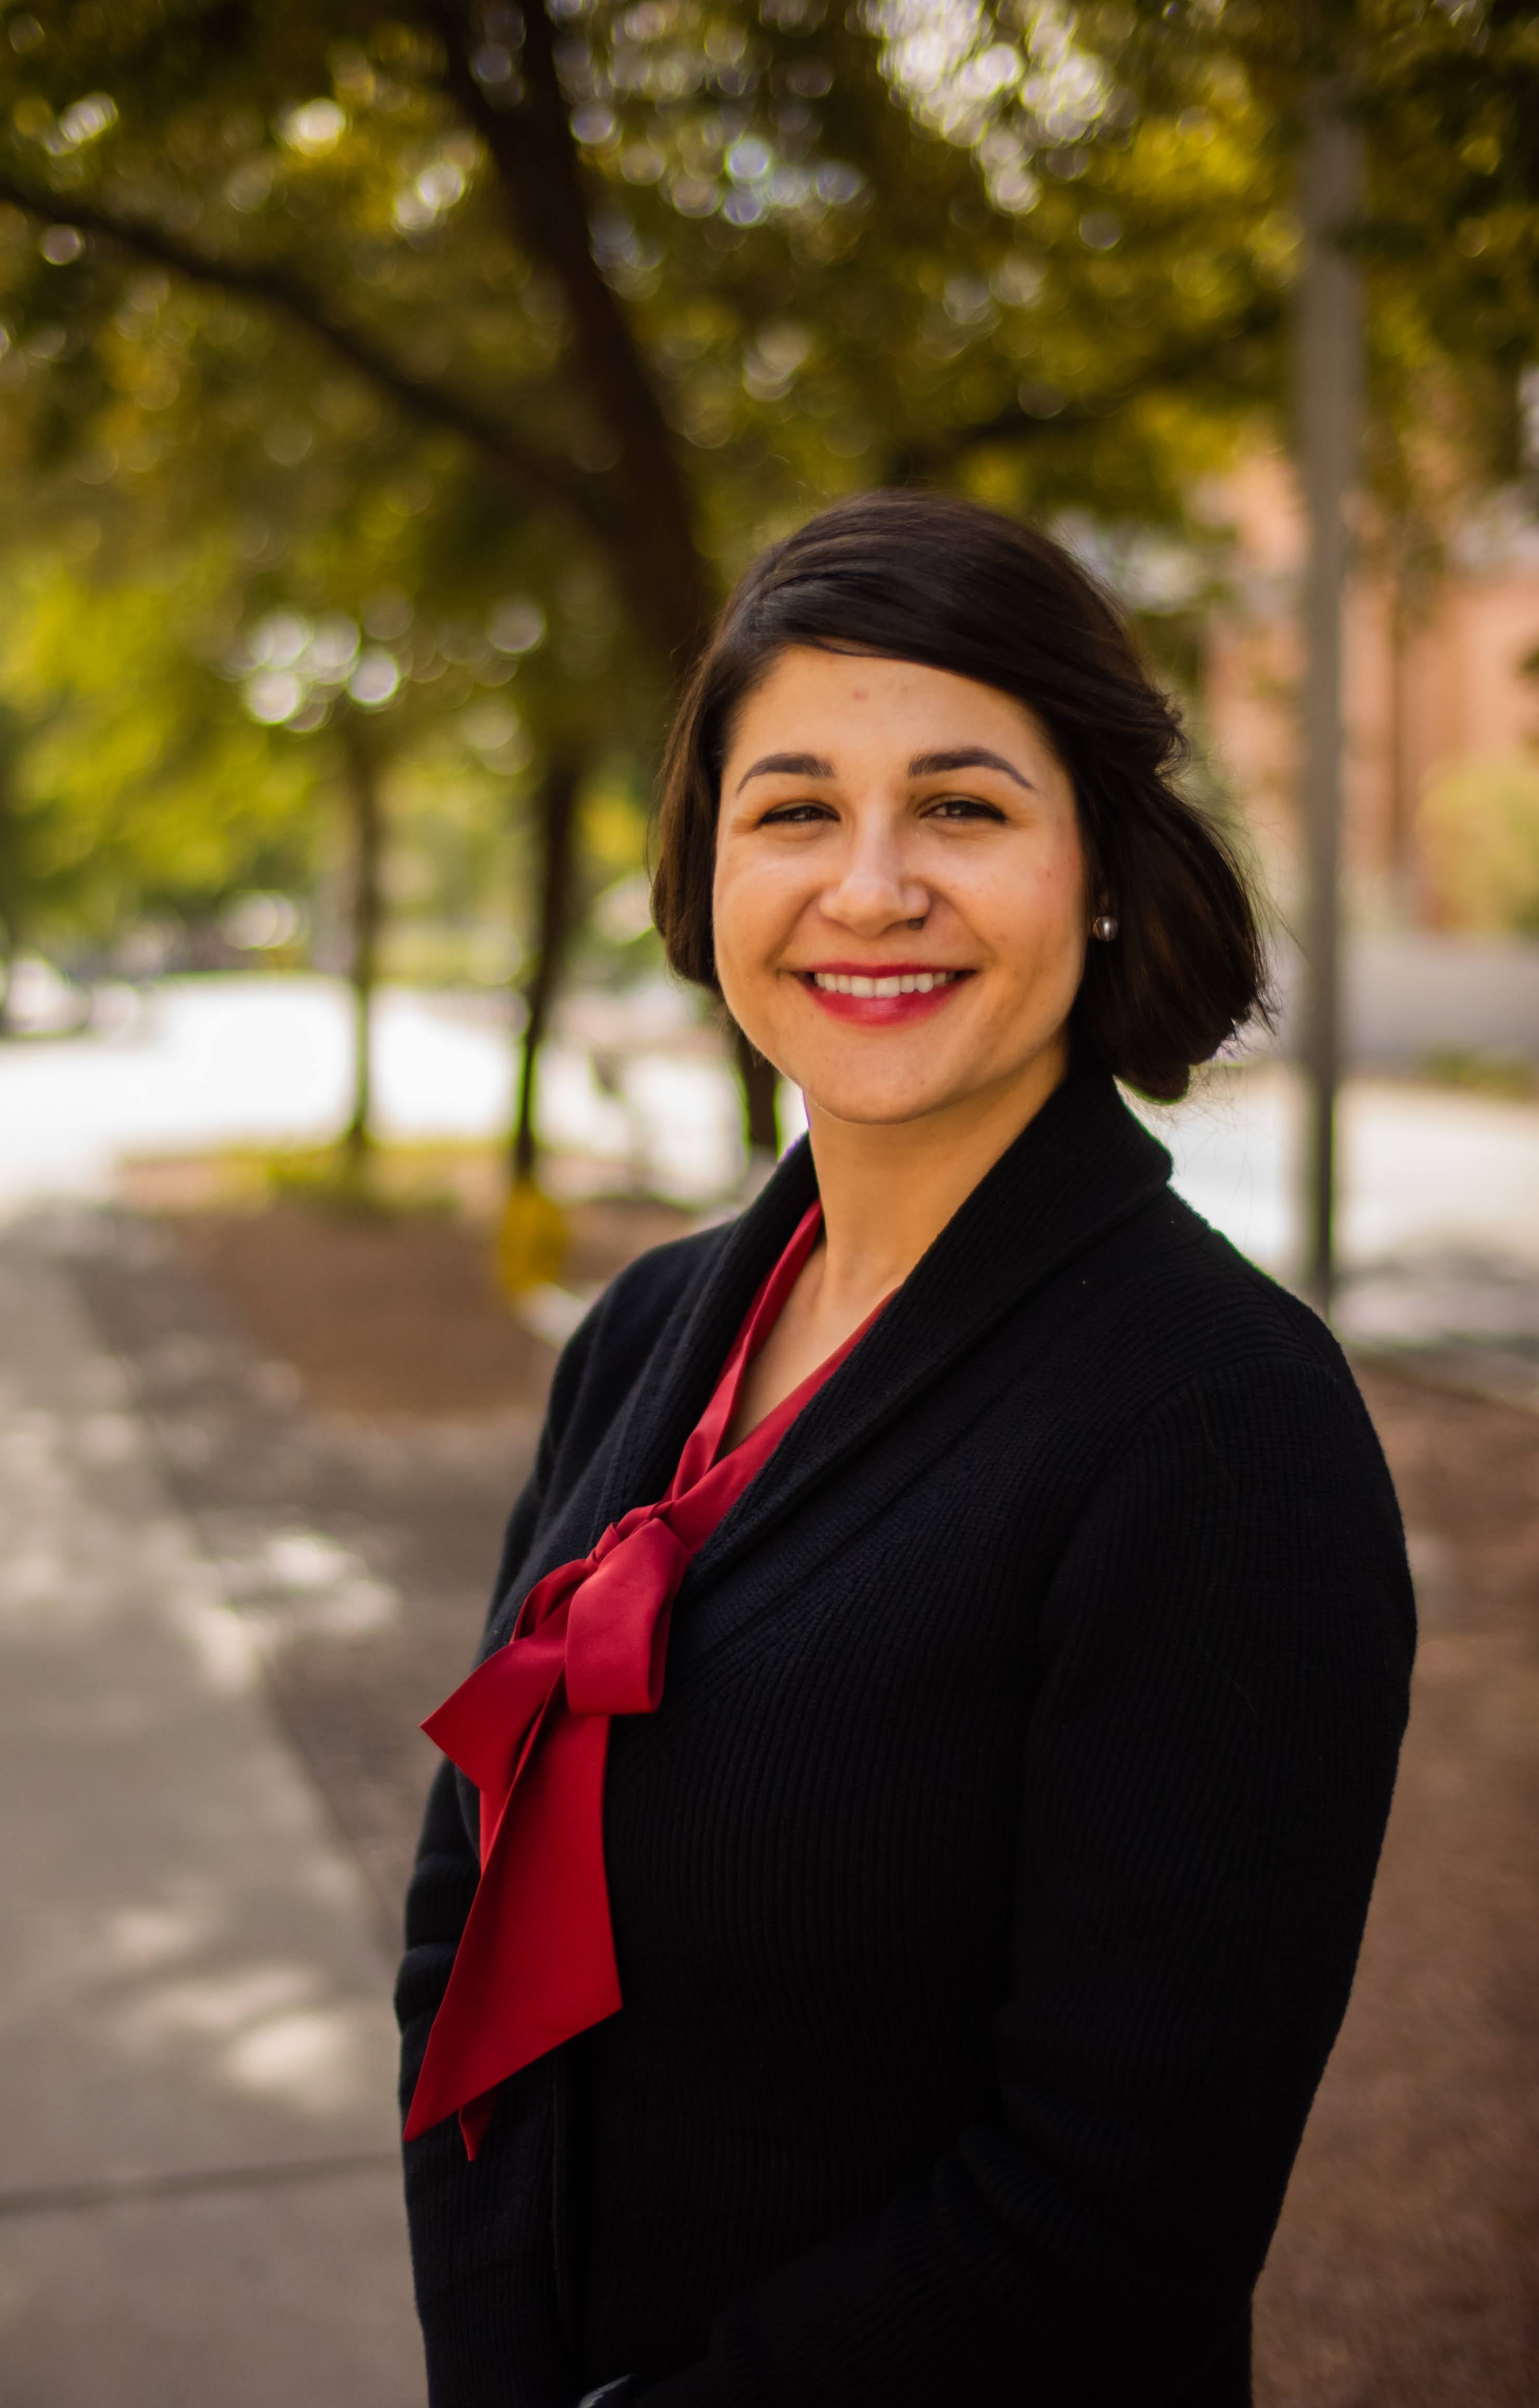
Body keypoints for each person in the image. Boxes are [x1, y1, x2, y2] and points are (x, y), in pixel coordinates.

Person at [396, 491, 1414, 2408]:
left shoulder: (1217, 1426)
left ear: (1100, 866)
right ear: (708, 877)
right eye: (793, 809)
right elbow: (467, 1905)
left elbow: (1117, 2209)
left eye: (960, 806)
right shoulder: (645, 1326)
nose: (868, 886)